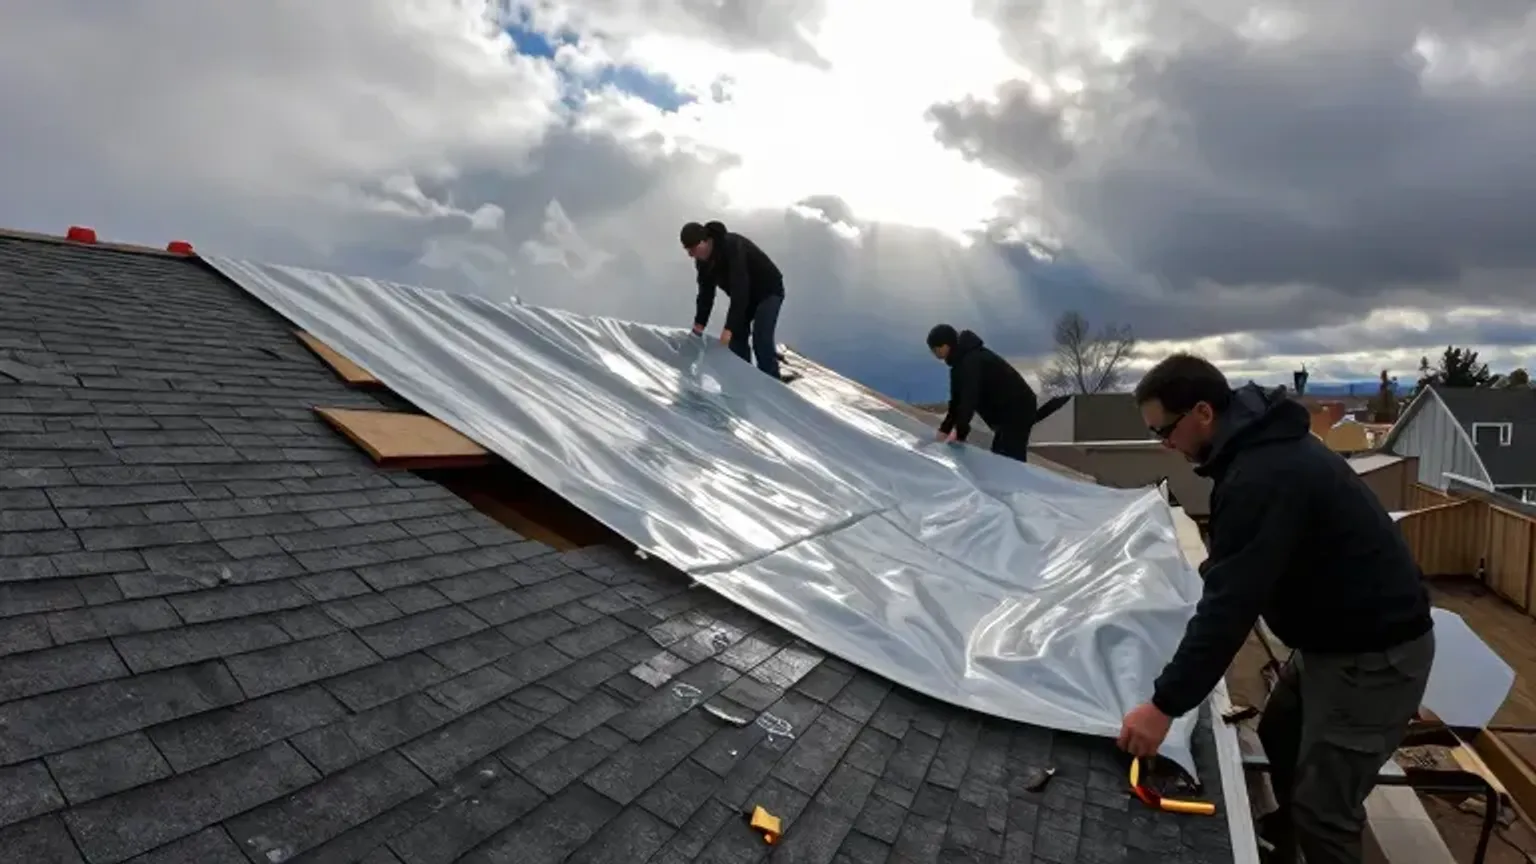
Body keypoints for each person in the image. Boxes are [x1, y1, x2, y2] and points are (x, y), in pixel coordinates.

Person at [1115, 352, 1435, 864]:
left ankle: (1311, 841)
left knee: (1325, 814)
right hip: (1333, 639)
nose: (1165, 445)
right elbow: (1250, 560)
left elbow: (1231, 610)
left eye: (1165, 431)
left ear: (1203, 412)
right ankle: (1287, 847)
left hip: (1373, 658)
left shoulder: (1263, 473)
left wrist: (1163, 707)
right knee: (1279, 736)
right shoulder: (1257, 449)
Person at [681, 220, 786, 379]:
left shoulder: (732, 247)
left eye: (693, 250)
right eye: (688, 251)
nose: (691, 255)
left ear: (705, 241)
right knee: (737, 339)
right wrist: (698, 327)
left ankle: (772, 382)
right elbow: (705, 295)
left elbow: (740, 290)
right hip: (746, 298)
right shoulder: (703, 263)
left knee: (760, 339)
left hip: (768, 291)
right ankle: (743, 380)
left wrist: (729, 328)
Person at [925, 324, 1039, 462]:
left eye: (935, 349)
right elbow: (956, 402)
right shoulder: (958, 365)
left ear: (945, 346)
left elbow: (968, 400)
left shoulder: (971, 361)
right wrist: (944, 430)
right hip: (1008, 412)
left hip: (1018, 407)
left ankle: (1016, 475)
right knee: (1001, 455)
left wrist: (960, 434)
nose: (934, 353)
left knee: (1008, 457)